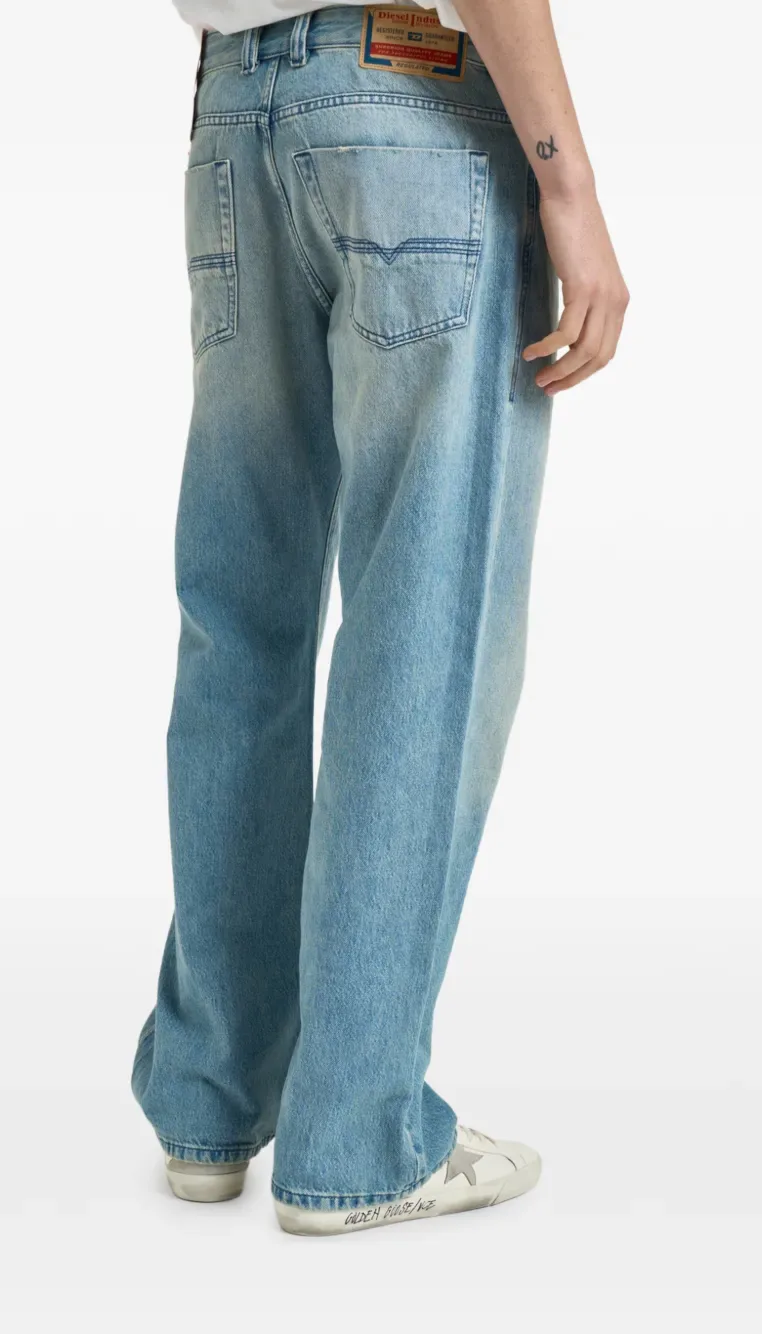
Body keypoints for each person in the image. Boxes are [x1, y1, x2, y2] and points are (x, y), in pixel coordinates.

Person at [131, 0, 628, 1237]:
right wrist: (566, 182)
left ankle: (209, 1100)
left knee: (239, 621)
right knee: (425, 622)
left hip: (232, 115)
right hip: (406, 101)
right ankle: (357, 1136)